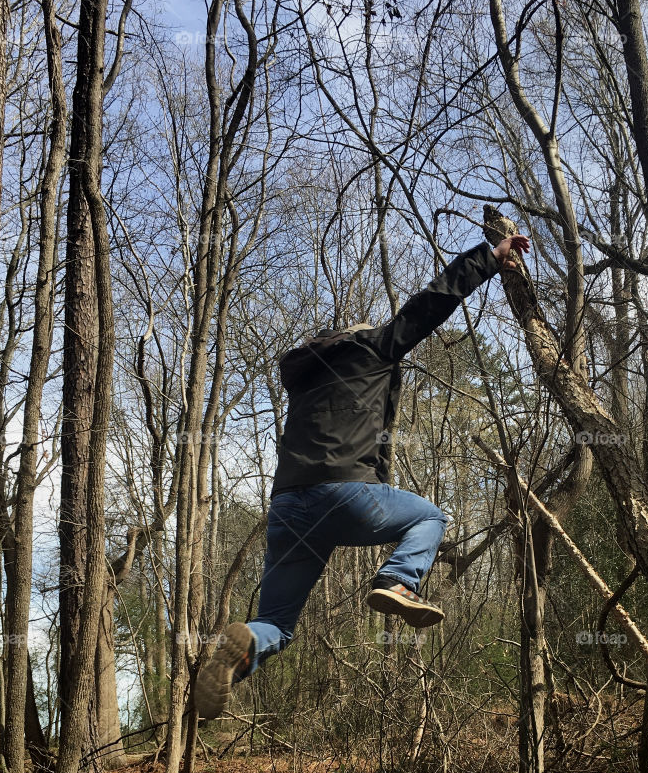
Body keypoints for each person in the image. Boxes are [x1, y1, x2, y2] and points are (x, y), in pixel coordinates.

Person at [194, 230, 531, 719]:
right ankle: (397, 581)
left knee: (276, 624)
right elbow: (432, 302)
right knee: (430, 518)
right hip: (346, 493)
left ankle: (241, 651)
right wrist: (489, 257)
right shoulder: (374, 348)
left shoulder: (305, 380)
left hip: (288, 507)